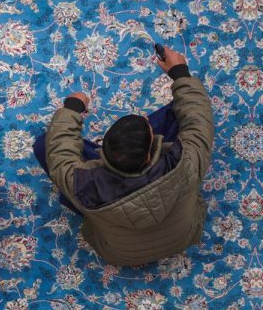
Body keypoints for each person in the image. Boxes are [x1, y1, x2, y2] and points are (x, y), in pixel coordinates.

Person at [33, 45, 214, 265]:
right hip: (184, 237)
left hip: (122, 255)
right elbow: (198, 117)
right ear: (148, 156)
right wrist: (179, 72)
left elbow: (59, 154)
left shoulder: (85, 186)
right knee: (182, 109)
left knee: (45, 145)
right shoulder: (186, 161)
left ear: (103, 153)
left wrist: (72, 107)